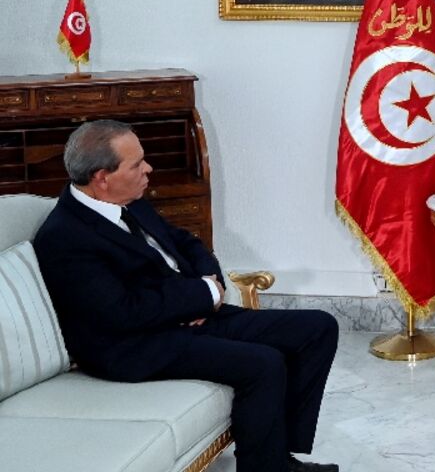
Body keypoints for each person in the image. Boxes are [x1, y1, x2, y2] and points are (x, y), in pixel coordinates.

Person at [32, 120, 341, 472]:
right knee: (264, 362)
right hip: (135, 346)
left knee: (317, 328)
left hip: (186, 317)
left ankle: (279, 455)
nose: (148, 169)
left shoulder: (129, 200)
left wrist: (209, 285)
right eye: (137, 164)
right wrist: (198, 295)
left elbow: (187, 243)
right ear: (102, 177)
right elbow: (122, 311)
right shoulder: (65, 238)